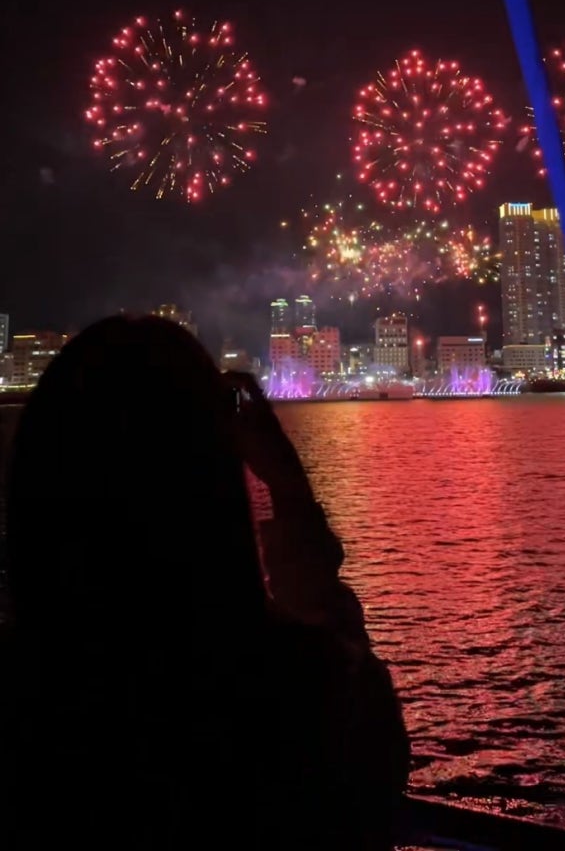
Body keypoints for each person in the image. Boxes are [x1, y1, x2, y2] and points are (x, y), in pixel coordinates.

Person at [0, 316, 409, 849]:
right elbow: (375, 763)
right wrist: (289, 490)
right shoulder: (305, 696)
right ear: (214, 479)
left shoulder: (28, 701)